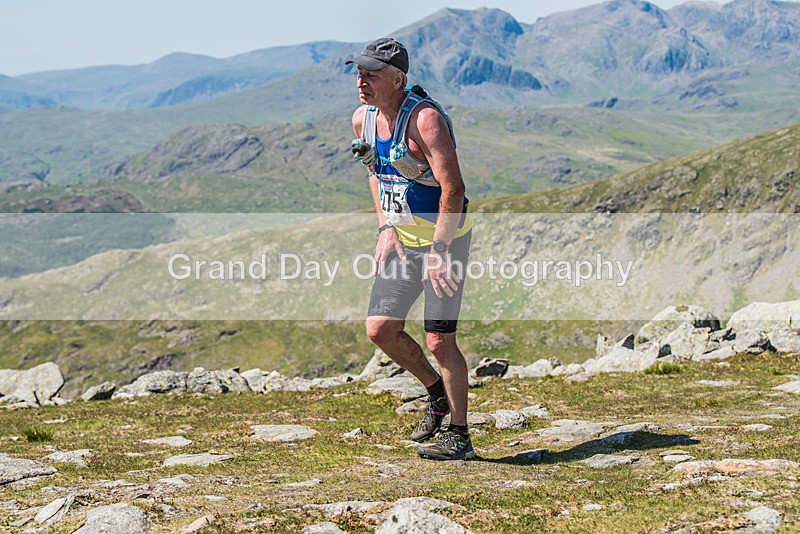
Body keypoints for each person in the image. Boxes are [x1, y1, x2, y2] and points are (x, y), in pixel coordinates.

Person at [346, 38, 475, 461]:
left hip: (445, 238)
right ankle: (435, 393)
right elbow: (374, 171)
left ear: (398, 78)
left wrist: (439, 249)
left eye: (372, 74)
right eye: (359, 71)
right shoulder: (362, 120)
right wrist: (385, 225)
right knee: (380, 329)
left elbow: (453, 188)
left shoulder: (426, 120)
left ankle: (459, 436)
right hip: (402, 238)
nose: (361, 80)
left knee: (439, 341)